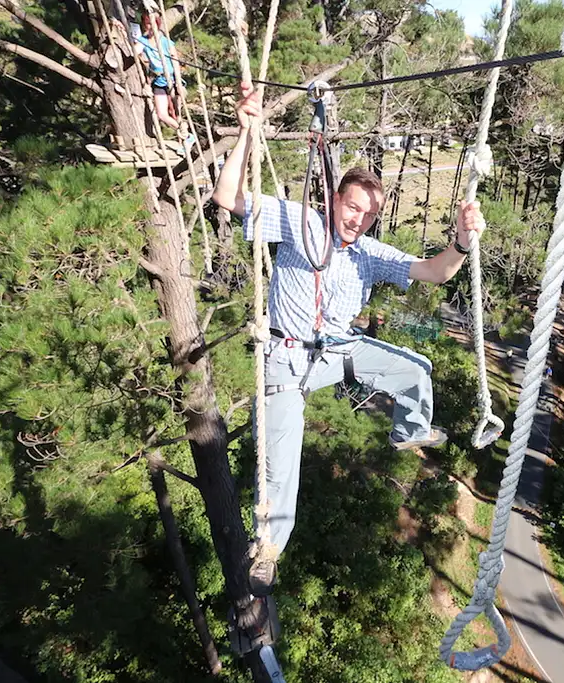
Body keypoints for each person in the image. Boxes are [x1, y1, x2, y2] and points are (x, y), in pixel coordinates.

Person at [212, 84, 487, 561]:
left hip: (338, 350)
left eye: (368, 214)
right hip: (288, 356)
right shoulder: (302, 223)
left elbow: (435, 272)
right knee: (281, 468)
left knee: (417, 368)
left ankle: (409, 429)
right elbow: (226, 196)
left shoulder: (369, 253)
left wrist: (461, 241)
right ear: (335, 200)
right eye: (353, 208)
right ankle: (268, 551)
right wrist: (245, 133)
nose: (358, 220)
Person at [132, 12, 194, 148]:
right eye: (147, 23)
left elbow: (175, 62)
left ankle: (186, 140)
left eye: (152, 24)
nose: (150, 27)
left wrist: (178, 81)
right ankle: (186, 134)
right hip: (159, 80)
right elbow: (135, 51)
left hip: (171, 78)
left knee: (177, 111)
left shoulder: (166, 41)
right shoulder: (143, 40)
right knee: (161, 114)